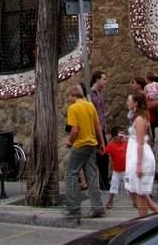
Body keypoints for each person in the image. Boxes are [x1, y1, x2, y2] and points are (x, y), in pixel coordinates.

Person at [64, 84, 106, 221]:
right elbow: (97, 125)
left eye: (69, 96)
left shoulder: (73, 108)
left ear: (73, 95)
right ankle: (98, 206)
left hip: (80, 144)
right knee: (92, 175)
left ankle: (73, 208)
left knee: (71, 173)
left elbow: (74, 130)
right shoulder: (90, 105)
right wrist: (102, 142)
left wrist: (69, 141)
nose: (68, 99)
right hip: (92, 144)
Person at [124, 92, 158, 216]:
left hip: (140, 156)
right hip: (134, 153)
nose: (127, 102)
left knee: (140, 191)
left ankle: (144, 218)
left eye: (129, 100)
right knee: (135, 189)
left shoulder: (140, 119)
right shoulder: (138, 117)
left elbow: (140, 142)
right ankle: (156, 212)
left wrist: (139, 164)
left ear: (135, 103)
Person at [90, 70, 110, 190]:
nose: (105, 81)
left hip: (102, 126)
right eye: (104, 79)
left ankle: (103, 180)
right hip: (96, 128)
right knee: (101, 156)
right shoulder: (91, 94)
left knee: (103, 156)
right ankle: (102, 181)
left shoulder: (99, 93)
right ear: (97, 79)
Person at [102, 126, 127, 209]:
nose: (122, 136)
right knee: (113, 187)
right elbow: (104, 152)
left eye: (123, 134)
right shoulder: (111, 146)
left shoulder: (126, 144)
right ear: (114, 137)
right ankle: (110, 202)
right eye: (120, 135)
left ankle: (135, 201)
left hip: (126, 171)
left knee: (130, 186)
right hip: (116, 171)